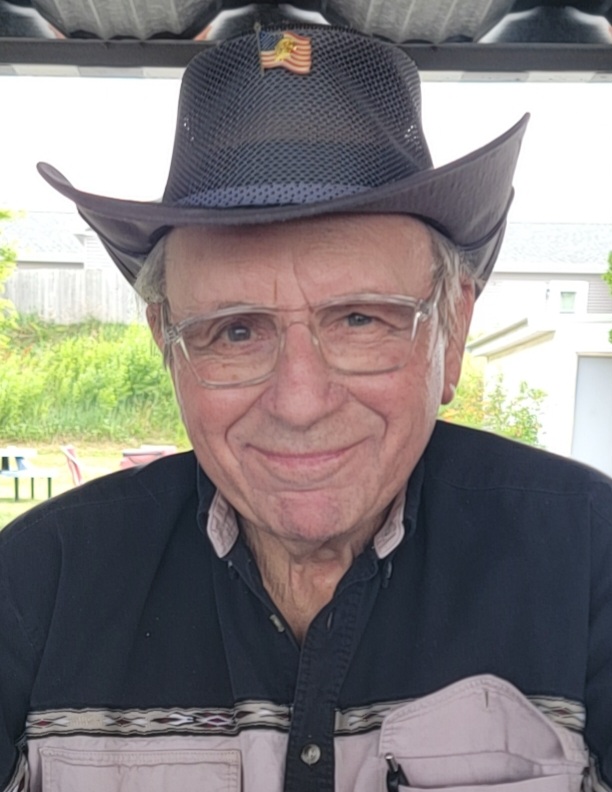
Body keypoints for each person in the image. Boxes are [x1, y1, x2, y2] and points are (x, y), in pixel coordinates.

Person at [1, 22, 611, 792]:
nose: (298, 402)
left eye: (360, 319)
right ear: (168, 345)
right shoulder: (34, 585)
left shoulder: (592, 561)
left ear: (452, 331)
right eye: (235, 330)